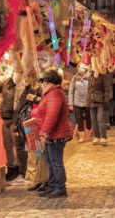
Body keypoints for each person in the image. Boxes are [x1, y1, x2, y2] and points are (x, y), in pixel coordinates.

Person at [34, 69, 72, 198]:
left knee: (55, 161)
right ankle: (53, 185)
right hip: (53, 134)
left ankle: (60, 187)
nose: (43, 84)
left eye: (44, 81)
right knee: (50, 160)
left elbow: (52, 115)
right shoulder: (51, 93)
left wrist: (44, 132)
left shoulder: (54, 94)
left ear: (49, 82)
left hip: (57, 134)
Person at [88, 65, 113, 146]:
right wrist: (88, 101)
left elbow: (107, 89)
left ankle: (103, 137)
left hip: (101, 101)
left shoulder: (103, 76)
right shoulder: (90, 77)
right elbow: (89, 89)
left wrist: (106, 100)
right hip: (92, 101)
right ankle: (96, 136)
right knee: (94, 121)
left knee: (100, 119)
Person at [67, 65, 93, 142]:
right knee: (79, 118)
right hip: (77, 101)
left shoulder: (90, 77)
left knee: (89, 117)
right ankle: (81, 136)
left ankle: (88, 134)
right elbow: (71, 91)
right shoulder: (75, 78)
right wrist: (71, 103)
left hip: (88, 101)